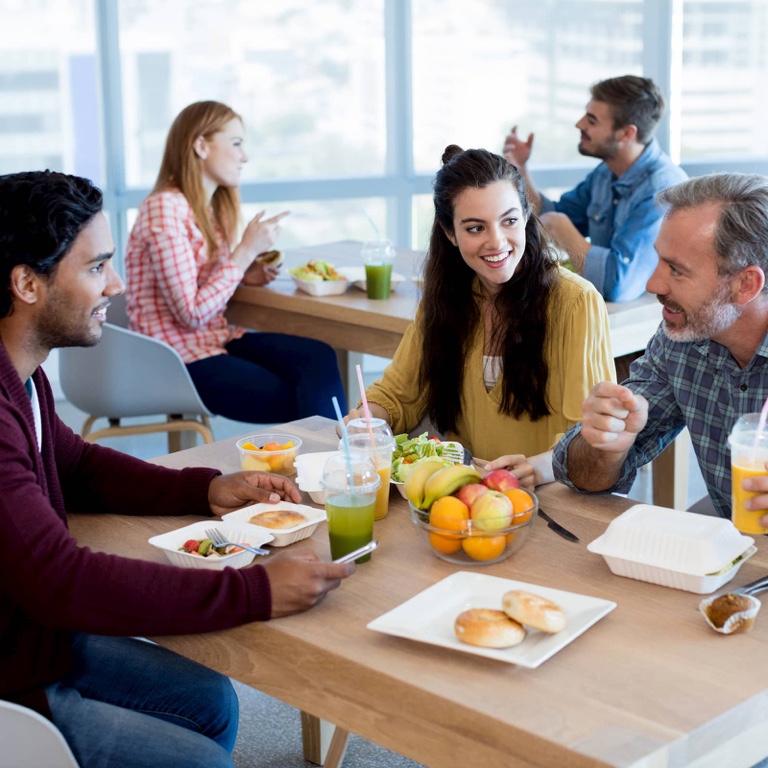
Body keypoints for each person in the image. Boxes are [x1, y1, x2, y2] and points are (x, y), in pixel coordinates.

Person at [0, 170, 354, 768]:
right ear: (26, 283)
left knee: (210, 702)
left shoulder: (23, 377)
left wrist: (207, 488)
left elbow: (80, 464)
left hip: (33, 634)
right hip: (13, 678)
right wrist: (254, 589)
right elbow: (62, 580)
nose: (114, 284)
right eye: (95, 267)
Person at [346, 145, 616, 489]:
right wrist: (368, 422)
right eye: (475, 228)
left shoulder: (577, 302)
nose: (497, 241)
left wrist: (539, 467)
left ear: (526, 215)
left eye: (509, 221)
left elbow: (590, 437)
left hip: (552, 501)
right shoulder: (445, 299)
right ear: (449, 233)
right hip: (467, 497)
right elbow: (399, 395)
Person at [553, 172, 768, 526]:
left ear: (745, 285)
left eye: (677, 270)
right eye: (659, 260)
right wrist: (607, 443)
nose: (653, 283)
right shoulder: (682, 340)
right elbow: (583, 478)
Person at [125, 100, 346, 422]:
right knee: (299, 396)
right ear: (201, 145)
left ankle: (331, 463)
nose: (245, 156)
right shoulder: (165, 208)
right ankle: (331, 465)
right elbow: (191, 314)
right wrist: (243, 253)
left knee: (319, 357)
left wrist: (243, 273)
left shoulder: (208, 209)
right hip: (178, 359)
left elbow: (195, 281)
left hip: (216, 340)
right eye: (236, 143)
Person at [503, 75, 687, 304]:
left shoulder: (662, 189)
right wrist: (520, 168)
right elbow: (545, 215)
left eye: (591, 120)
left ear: (626, 133)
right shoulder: (605, 173)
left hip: (645, 323)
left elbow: (617, 285)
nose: (579, 124)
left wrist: (564, 229)